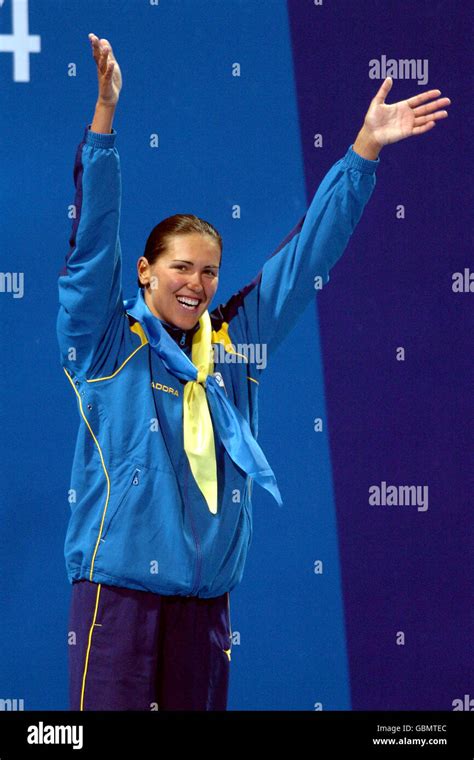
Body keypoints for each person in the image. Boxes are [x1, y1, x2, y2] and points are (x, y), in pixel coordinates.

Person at [57, 33, 450, 711]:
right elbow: (93, 244)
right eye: (181, 267)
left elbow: (304, 262)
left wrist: (364, 152)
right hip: (116, 603)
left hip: (206, 610)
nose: (197, 283)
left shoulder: (235, 344)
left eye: (209, 270)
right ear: (146, 272)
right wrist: (104, 118)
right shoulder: (103, 343)